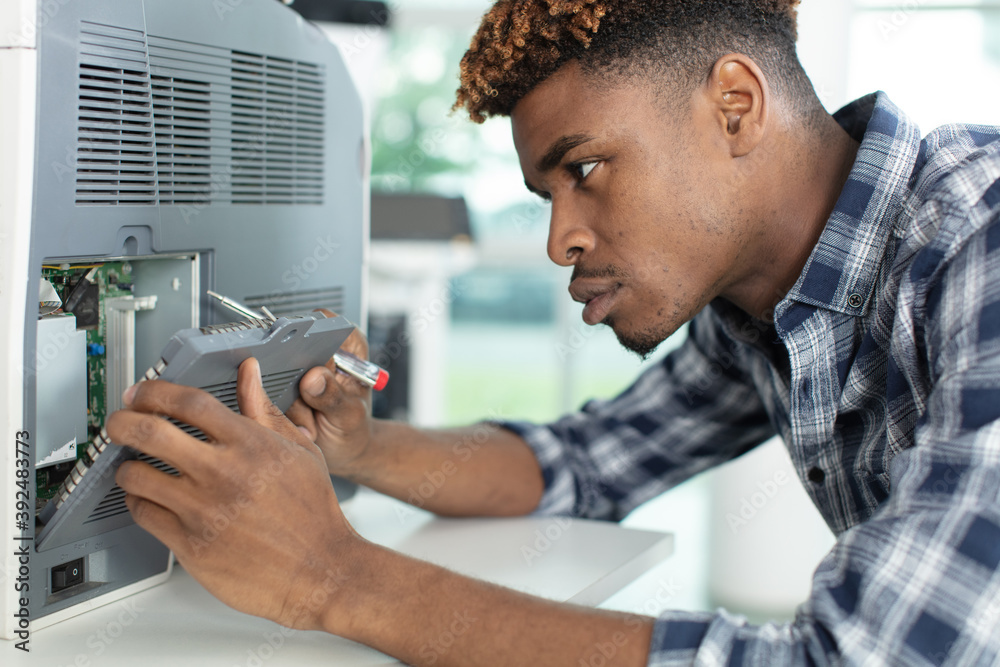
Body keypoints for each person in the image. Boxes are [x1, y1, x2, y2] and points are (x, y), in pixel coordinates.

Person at [107, 0, 1000, 664]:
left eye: (586, 167)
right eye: (547, 195)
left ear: (735, 104)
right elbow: (587, 462)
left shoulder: (978, 236)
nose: (558, 238)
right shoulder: (758, 300)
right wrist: (360, 447)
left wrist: (331, 576)